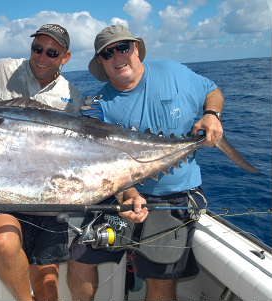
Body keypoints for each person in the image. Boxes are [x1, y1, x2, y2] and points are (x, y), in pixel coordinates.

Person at [67, 25, 224, 301]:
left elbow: (212, 91)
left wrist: (212, 114)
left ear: (136, 49)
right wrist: (127, 192)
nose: (117, 57)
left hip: (173, 198)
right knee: (80, 260)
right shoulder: (97, 105)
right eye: (107, 53)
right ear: (101, 63)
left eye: (123, 48)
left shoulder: (174, 72)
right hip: (121, 195)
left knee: (159, 278)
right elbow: (102, 164)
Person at [0, 24, 87, 301]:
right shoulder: (0, 70)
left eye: (52, 52)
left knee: (49, 286)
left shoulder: (73, 96)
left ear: (65, 57)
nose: (42, 57)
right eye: (37, 49)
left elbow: (76, 150)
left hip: (47, 194)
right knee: (5, 243)